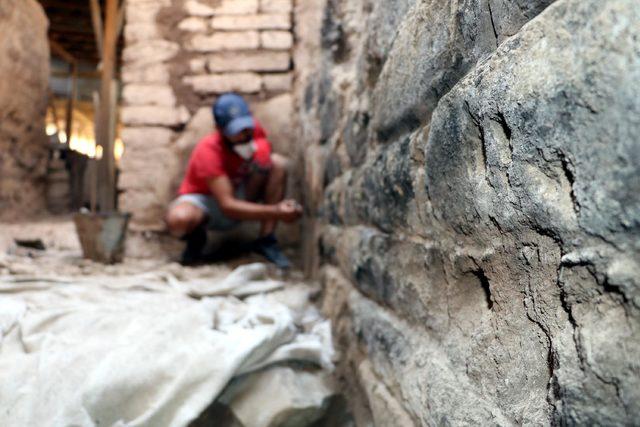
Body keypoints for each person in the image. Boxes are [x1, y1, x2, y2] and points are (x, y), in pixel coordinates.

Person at [166, 93, 303, 268]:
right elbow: (228, 206)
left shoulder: (253, 131)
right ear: (219, 129)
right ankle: (196, 240)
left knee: (277, 164)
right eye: (235, 131)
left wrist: (263, 153)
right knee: (179, 218)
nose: (244, 134)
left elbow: (261, 146)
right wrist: (278, 212)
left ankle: (266, 240)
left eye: (246, 127)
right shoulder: (208, 151)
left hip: (241, 190)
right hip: (208, 202)